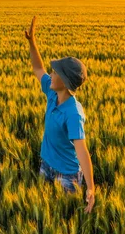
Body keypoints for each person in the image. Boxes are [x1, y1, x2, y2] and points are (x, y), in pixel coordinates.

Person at [24, 16, 95, 213]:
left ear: (65, 81)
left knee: (62, 217)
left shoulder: (73, 113)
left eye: (55, 73)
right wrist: (32, 42)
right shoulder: (52, 92)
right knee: (44, 211)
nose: (51, 74)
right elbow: (38, 68)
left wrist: (90, 187)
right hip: (46, 165)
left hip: (67, 175)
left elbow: (82, 150)